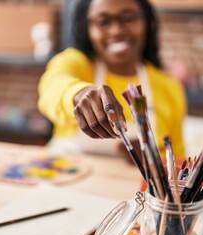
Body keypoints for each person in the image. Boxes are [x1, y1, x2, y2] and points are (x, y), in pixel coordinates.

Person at [38, 0, 186, 161]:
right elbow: (52, 87)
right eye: (103, 22)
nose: (116, 31)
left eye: (128, 18)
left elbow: (178, 159)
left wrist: (152, 158)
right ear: (87, 27)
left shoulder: (169, 87)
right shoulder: (76, 63)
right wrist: (79, 94)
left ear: (146, 22)